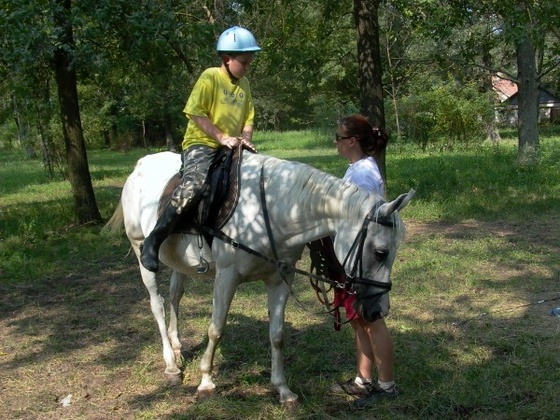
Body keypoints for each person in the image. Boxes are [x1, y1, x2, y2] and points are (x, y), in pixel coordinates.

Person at [140, 26, 260, 273]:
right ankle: (154, 240)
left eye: (250, 62)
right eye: (244, 62)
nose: (248, 67)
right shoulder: (210, 77)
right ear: (227, 59)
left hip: (233, 143)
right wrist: (221, 137)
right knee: (194, 185)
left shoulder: (245, 83)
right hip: (201, 144)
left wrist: (246, 137)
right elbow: (195, 112)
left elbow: (249, 115)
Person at [329, 114, 397, 408]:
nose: (336, 143)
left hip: (360, 259)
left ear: (351, 141)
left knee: (372, 320)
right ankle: (363, 380)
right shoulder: (355, 169)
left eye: (339, 138)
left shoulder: (363, 175)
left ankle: (387, 386)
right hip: (350, 256)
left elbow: (368, 222)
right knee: (359, 320)